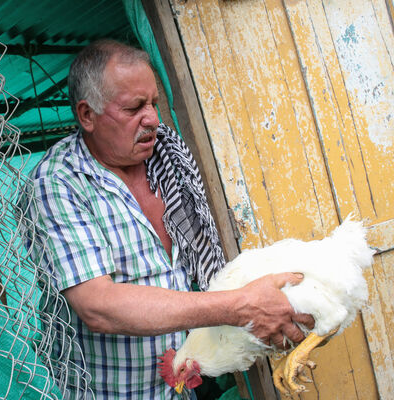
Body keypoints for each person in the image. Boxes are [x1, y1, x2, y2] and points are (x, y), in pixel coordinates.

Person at [24, 39, 313, 399]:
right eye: (134, 108)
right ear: (87, 115)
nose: (153, 120)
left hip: (176, 386)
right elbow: (99, 306)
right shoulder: (58, 182)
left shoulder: (169, 160)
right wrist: (240, 306)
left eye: (154, 104)